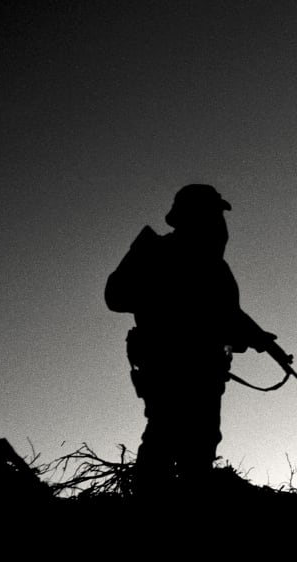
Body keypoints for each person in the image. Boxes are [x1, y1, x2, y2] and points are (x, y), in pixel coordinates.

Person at [105, 184, 279, 494]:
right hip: (166, 363)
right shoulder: (156, 250)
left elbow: (226, 316)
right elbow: (115, 296)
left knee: (199, 447)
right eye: (210, 214)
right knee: (164, 437)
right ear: (192, 216)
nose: (217, 223)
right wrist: (171, 300)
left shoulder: (215, 268)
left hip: (205, 369)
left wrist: (254, 337)